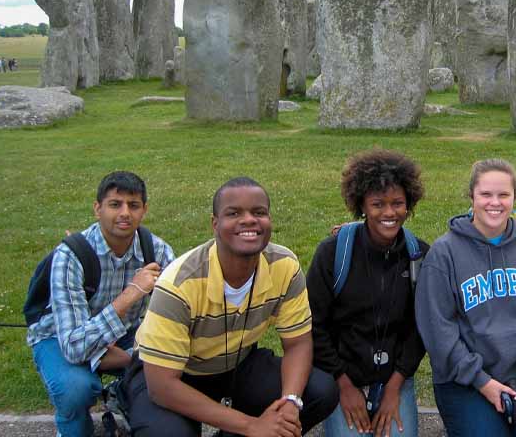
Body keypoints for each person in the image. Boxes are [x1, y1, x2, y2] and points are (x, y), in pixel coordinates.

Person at [126, 177, 339, 436]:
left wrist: (290, 402)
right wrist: (251, 425)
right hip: (174, 373)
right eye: (234, 213)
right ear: (215, 223)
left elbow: (298, 344)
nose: (249, 220)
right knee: (166, 433)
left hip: (237, 362)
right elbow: (162, 387)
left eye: (259, 212)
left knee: (320, 391)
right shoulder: (179, 283)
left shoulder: (284, 266)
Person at [26, 171, 175, 437]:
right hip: (59, 337)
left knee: (169, 371)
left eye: (134, 205)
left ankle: (123, 396)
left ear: (144, 210)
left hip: (124, 332)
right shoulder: (70, 255)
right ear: (98, 209)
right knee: (76, 389)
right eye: (115, 204)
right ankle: (74, 429)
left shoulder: (157, 250)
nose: (125, 213)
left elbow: (176, 318)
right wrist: (132, 293)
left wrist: (140, 353)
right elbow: (74, 346)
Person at [416, 159, 516, 437]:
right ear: (472, 196)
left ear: (514, 197)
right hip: (465, 380)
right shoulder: (444, 254)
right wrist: (482, 381)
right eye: (486, 194)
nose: (495, 203)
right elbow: (438, 331)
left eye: (504, 194)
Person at [307, 150, 429, 437]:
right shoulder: (333, 253)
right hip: (343, 376)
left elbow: (420, 330)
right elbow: (314, 325)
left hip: (395, 378)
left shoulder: (419, 256)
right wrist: (343, 385)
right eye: (378, 204)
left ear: (409, 204)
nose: (389, 213)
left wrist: (395, 387)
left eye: (397, 203)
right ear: (361, 205)